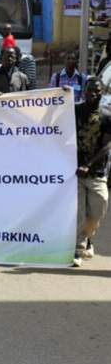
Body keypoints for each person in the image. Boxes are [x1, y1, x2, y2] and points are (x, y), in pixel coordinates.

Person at [74, 78, 111, 266]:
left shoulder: (106, 115)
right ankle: (78, 249)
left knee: (98, 209)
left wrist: (89, 164)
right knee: (79, 212)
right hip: (76, 172)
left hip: (97, 171)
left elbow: (106, 146)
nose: (92, 94)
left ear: (102, 92)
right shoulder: (76, 110)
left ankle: (88, 237)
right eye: (89, 91)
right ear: (84, 91)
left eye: (96, 91)